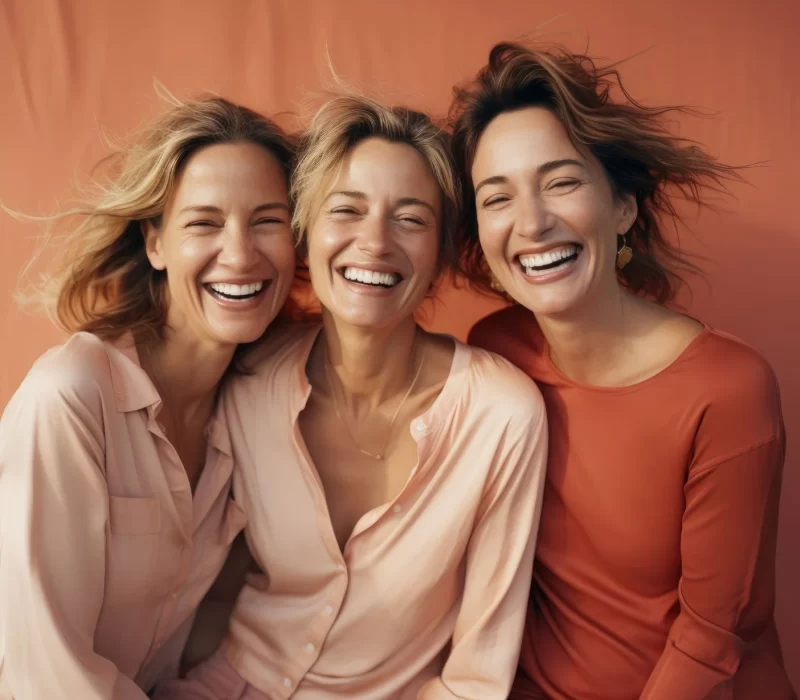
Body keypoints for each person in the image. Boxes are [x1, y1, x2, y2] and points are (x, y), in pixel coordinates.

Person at [153, 92, 548, 700]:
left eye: (411, 218)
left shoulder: (503, 416)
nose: (375, 242)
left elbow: (477, 674)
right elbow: (189, 581)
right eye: (347, 210)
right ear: (302, 233)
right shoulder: (247, 378)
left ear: (442, 253)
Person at [450, 41, 795, 699]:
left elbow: (710, 641)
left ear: (623, 207)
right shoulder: (495, 351)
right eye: (498, 197)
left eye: (562, 182)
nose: (533, 221)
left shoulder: (728, 389)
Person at [0, 97, 297, 700]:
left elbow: (215, 623)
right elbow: (44, 677)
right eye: (204, 223)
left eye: (267, 220)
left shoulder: (257, 404)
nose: (239, 254)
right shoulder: (72, 398)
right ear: (155, 243)